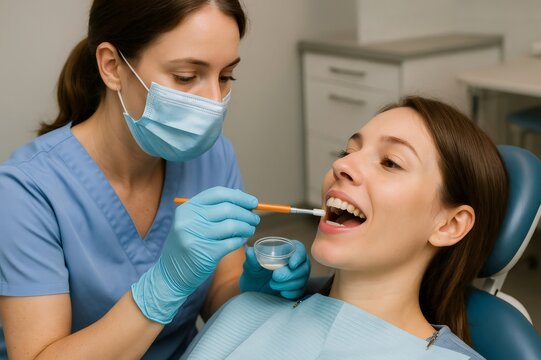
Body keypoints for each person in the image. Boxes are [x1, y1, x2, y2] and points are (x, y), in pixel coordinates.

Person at [0, 1, 310, 359]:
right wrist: (163, 287)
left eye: (226, 76)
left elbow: (217, 293)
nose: (214, 101)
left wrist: (251, 289)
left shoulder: (212, 157)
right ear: (112, 66)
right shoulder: (25, 191)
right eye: (185, 77)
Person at [181, 96, 508, 359]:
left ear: (450, 224)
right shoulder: (246, 310)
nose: (342, 165)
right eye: (348, 151)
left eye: (390, 162)